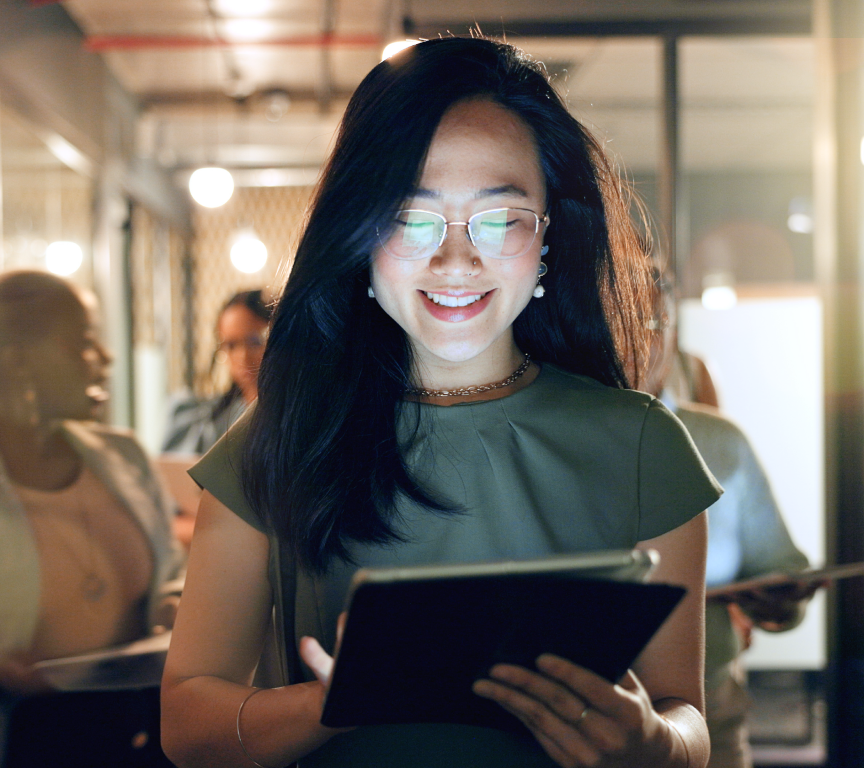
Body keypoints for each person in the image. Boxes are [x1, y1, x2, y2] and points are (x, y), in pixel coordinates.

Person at [161, 37, 722, 768]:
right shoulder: (281, 438)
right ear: (359, 234)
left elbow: (687, 716)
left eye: (499, 219)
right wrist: (333, 705)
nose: (455, 260)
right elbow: (186, 721)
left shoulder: (646, 446)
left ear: (550, 233)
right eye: (409, 217)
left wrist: (653, 744)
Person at [0, 270, 184, 767]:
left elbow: (171, 570)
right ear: (15, 360)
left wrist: (172, 603)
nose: (105, 359)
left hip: (143, 723)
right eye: (82, 344)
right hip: (28, 738)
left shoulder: (123, 456)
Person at [644, 269, 816, 768]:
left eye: (656, 320)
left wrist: (780, 599)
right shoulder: (557, 438)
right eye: (621, 318)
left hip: (709, 697)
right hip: (576, 708)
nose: (642, 337)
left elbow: (780, 564)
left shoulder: (721, 442)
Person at [162, 289, 272, 456]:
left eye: (255, 341)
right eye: (231, 345)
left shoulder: (294, 416)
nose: (243, 357)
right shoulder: (207, 420)